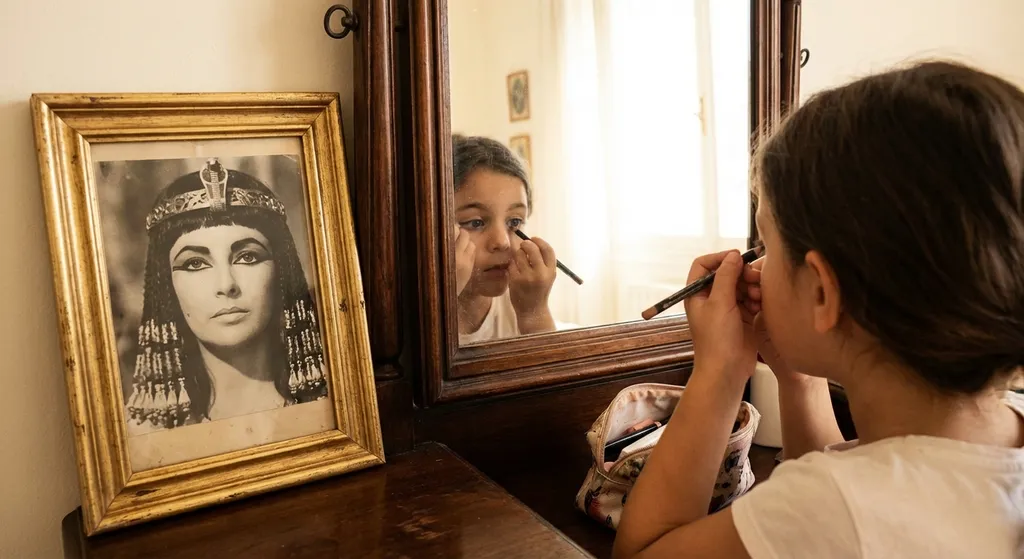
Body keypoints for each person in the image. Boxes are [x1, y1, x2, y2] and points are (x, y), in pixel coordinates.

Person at [613, 60, 1024, 558]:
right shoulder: (1003, 429)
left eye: (767, 243)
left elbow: (642, 553)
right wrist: (799, 376)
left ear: (824, 294)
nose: (757, 264)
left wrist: (719, 373)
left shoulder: (830, 505)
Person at [125, 158, 328, 436]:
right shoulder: (144, 434)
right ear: (167, 289)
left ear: (282, 273)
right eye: (195, 263)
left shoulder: (335, 406)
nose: (226, 284)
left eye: (247, 257)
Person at [452, 135, 558, 344]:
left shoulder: (522, 301)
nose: (503, 242)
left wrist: (535, 311)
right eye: (475, 223)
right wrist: (441, 298)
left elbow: (554, 371)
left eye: (515, 222)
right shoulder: (411, 312)